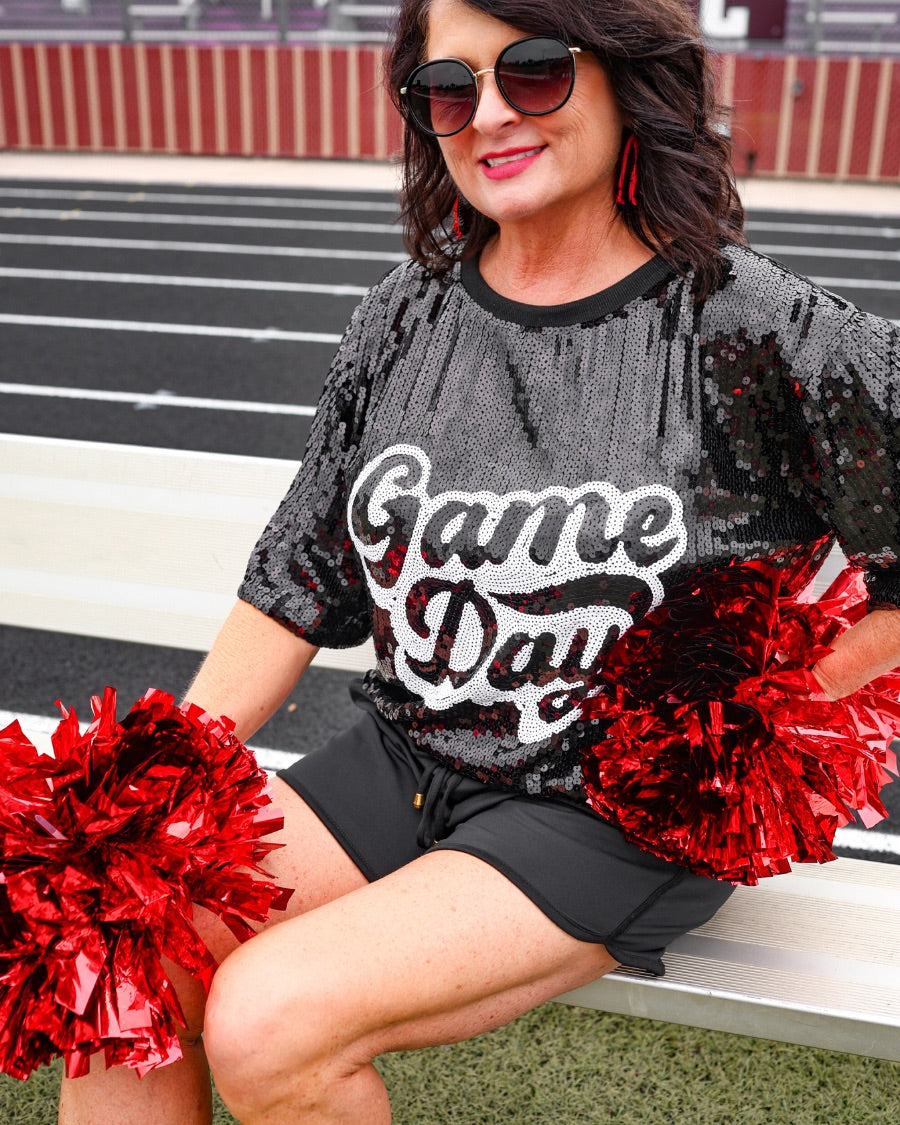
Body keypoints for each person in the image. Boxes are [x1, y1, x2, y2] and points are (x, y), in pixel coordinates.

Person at [59, 1, 900, 1122]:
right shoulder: (407, 315)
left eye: (536, 73)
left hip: (604, 809)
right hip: (406, 755)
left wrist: (757, 716)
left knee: (271, 1019)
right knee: (117, 917)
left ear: (623, 84)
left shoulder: (765, 326)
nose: (491, 113)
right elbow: (297, 575)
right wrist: (164, 768)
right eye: (450, 90)